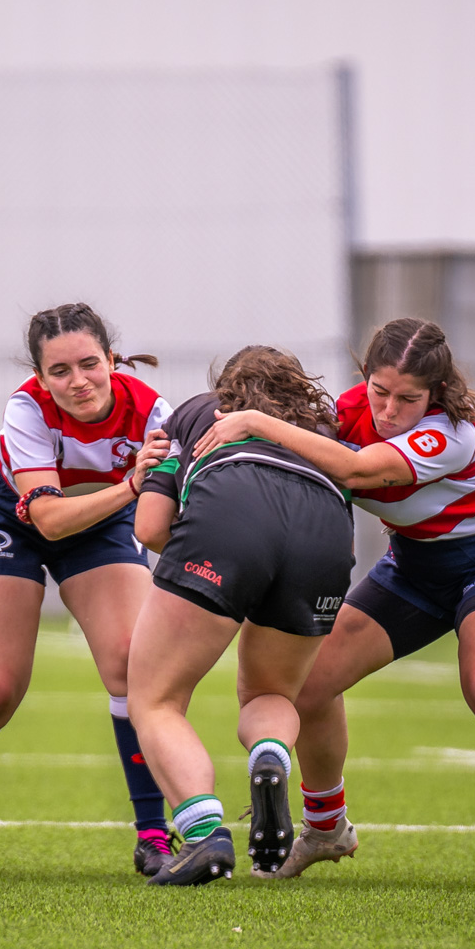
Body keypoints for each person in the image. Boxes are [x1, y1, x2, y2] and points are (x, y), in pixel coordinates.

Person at [198, 319, 475, 891]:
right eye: (379, 391)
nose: (389, 410)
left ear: (436, 393)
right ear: (365, 377)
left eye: (407, 399)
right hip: (419, 567)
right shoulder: (351, 409)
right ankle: (325, 829)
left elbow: (353, 469)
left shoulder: (453, 433)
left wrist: (256, 422)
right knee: (307, 685)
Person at [0, 304, 175, 875]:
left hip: (101, 523)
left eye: (89, 364)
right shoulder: (27, 407)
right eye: (59, 371)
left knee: (132, 664)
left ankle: (154, 835)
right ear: (40, 376)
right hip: (9, 516)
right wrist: (130, 486)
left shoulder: (153, 412)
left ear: (111, 359)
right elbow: (48, 518)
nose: (78, 382)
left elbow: (168, 506)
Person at [127, 346, 356, 885]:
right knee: (269, 694)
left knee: (154, 697)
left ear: (226, 387)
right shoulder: (322, 429)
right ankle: (271, 753)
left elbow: (150, 528)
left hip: (230, 515)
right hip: (324, 540)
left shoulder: (196, 411)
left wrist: (217, 566)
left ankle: (205, 833)